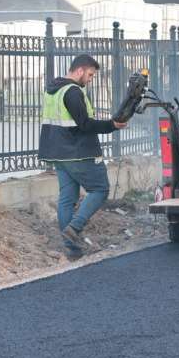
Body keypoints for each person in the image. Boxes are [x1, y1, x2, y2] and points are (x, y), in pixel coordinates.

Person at [38, 55, 127, 260]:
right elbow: (85, 124)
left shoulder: (53, 90)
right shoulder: (72, 92)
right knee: (100, 189)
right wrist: (112, 125)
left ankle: (72, 249)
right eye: (90, 75)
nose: (90, 79)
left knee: (67, 199)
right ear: (79, 70)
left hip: (58, 154)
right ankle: (74, 228)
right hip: (79, 152)